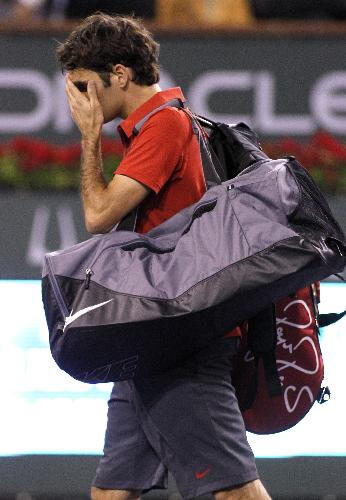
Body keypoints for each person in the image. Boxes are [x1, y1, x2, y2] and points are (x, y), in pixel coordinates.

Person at [57, 13, 272, 500]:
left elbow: (99, 215)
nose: (78, 103)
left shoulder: (164, 126)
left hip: (182, 347)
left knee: (235, 493)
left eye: (83, 87)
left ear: (119, 74)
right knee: (113, 493)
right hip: (148, 340)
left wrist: (89, 138)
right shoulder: (164, 124)